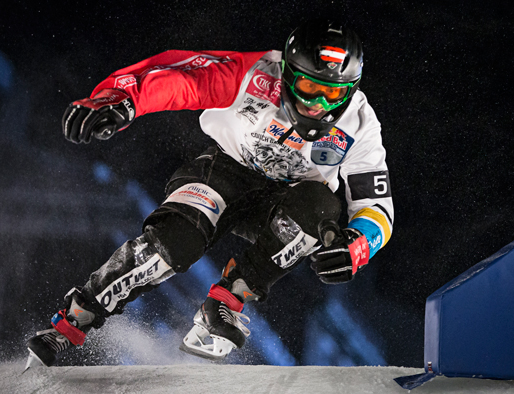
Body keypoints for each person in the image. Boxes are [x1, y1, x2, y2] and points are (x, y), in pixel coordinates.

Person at [25, 20, 394, 367]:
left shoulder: (361, 126)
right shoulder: (253, 74)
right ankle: (75, 319)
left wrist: (356, 246)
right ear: (288, 74)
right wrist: (119, 98)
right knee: (173, 243)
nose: (317, 104)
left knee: (321, 207)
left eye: (331, 93)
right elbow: (177, 77)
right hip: (222, 172)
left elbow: (376, 206)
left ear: (351, 89)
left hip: (283, 204)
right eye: (309, 87)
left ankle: (227, 301)